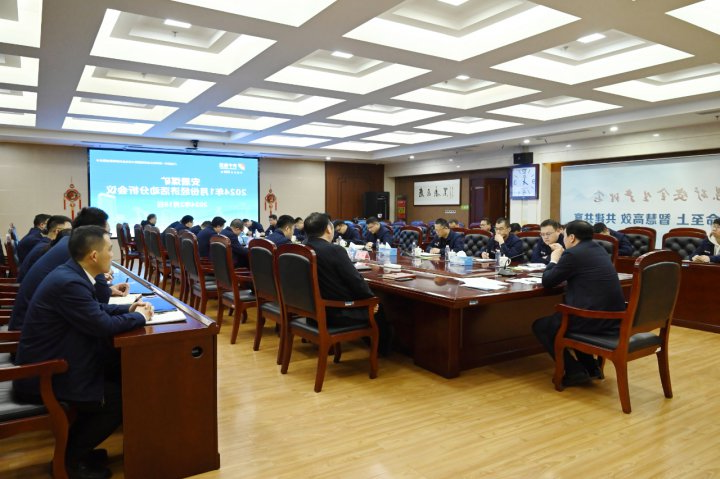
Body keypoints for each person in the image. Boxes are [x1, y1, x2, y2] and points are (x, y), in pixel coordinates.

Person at [13, 225, 153, 479]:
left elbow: (94, 309)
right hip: (43, 374)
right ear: (94, 255)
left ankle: (80, 451)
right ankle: (69, 461)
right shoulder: (70, 282)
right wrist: (140, 318)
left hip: (56, 358)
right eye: (109, 249)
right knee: (115, 399)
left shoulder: (71, 274)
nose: (113, 254)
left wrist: (129, 310)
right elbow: (102, 325)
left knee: (116, 374)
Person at [532, 220, 625, 387]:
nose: (564, 239)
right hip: (614, 318)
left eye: (565, 236)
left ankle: (574, 371)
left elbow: (548, 281)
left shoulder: (573, 254)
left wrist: (554, 260)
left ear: (572, 238)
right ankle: (591, 367)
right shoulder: (600, 249)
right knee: (568, 316)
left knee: (542, 326)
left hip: (592, 319)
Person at [9, 207, 129, 332]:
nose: (111, 253)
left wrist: (111, 291)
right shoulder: (79, 251)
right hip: (31, 330)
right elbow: (101, 299)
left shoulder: (68, 242)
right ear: (94, 233)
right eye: (107, 234)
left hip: (34, 321)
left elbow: (90, 299)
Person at [304, 212, 392, 355]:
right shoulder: (334, 250)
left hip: (312, 312)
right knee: (377, 306)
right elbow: (355, 281)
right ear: (328, 229)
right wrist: (370, 299)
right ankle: (381, 351)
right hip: (336, 312)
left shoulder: (303, 248)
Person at [18, 215, 72, 282]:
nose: (71, 233)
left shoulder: (44, 244)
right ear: (57, 231)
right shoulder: (46, 249)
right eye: (69, 230)